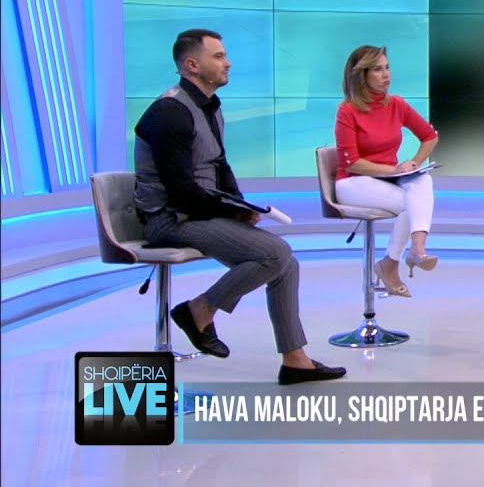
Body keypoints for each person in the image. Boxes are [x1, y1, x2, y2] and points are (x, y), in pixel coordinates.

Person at [134, 29, 346, 386]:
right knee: (276, 252)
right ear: (192, 65)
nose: (228, 62)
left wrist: (241, 205)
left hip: (196, 213)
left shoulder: (209, 106)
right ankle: (200, 309)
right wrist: (228, 212)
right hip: (169, 219)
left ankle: (295, 361)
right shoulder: (169, 113)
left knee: (286, 265)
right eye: (218, 56)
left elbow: (219, 166)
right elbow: (181, 192)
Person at [333, 45, 439, 298]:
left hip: (388, 180)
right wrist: (394, 169)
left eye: (387, 67)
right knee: (411, 203)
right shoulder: (347, 111)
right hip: (353, 183)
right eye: (378, 70)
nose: (386, 74)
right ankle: (391, 264)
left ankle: (417, 250)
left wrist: (414, 163)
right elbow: (351, 163)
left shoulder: (396, 104)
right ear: (362, 75)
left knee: (423, 180)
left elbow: (430, 136)